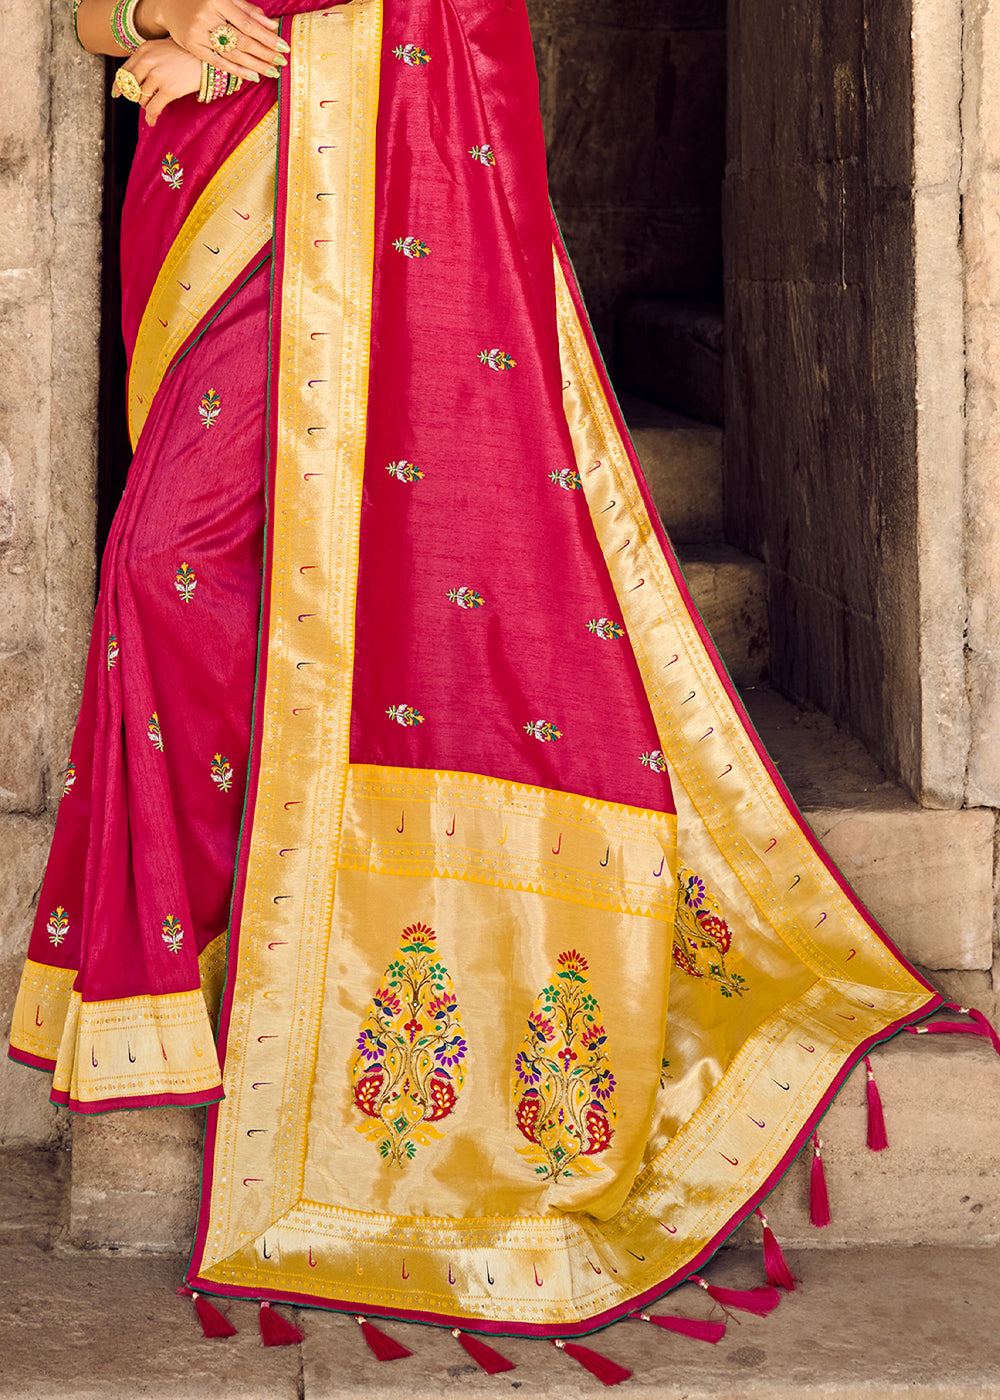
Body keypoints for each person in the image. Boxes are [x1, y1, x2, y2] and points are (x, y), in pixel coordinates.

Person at [10, 0, 942, 1351]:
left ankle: (291, 946)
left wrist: (255, 44)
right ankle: (220, 939)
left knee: (208, 563)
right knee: (175, 569)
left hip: (378, 170)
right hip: (212, 184)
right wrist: (166, 20)